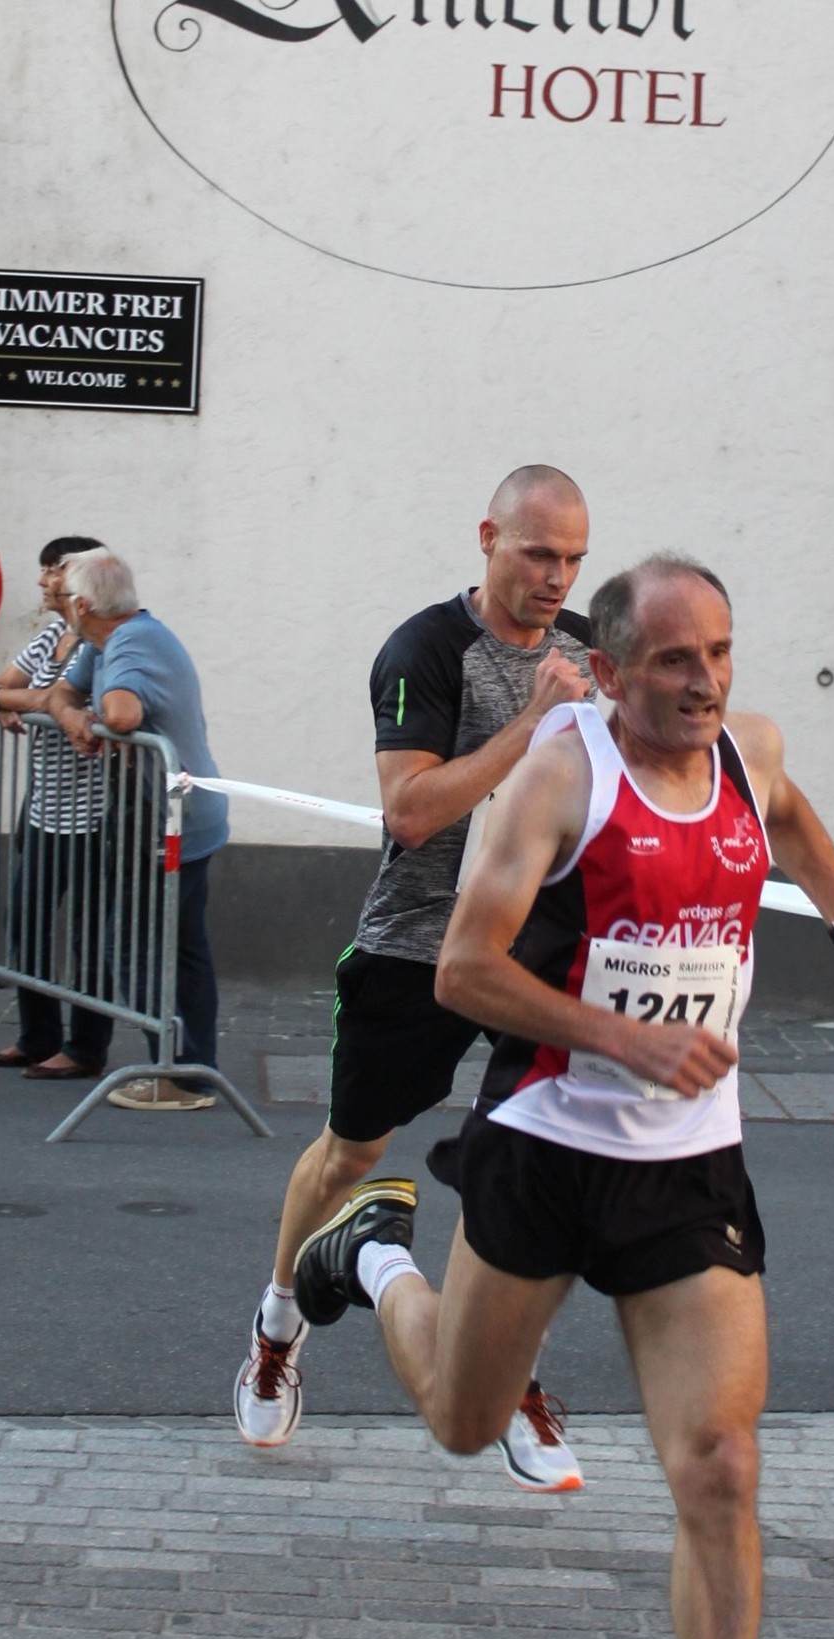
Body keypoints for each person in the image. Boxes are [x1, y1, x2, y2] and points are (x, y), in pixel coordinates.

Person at [292, 554, 834, 1639]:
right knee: (462, 1424)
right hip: (546, 1150)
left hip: (687, 1172)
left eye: (719, 654)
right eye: (675, 662)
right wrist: (616, 1036)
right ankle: (373, 1255)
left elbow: (791, 822)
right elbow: (464, 966)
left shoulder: (743, 754)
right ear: (615, 672)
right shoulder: (563, 776)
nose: (704, 682)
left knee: (719, 1465)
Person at [231, 465, 594, 1493]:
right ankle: (278, 1320)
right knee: (350, 1151)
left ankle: (510, 1375)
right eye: (535, 552)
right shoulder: (426, 647)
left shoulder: (582, 654)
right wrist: (530, 723)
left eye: (571, 557)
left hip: (529, 951)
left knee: (523, 1166)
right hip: (414, 948)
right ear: (486, 537)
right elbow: (412, 810)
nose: (554, 576)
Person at [46, 549, 226, 1111]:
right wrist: (74, 717)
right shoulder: (108, 642)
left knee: (135, 949)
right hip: (171, 817)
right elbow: (59, 693)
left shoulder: (131, 643)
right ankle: (194, 1071)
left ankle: (176, 1072)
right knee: (180, 948)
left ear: (80, 605)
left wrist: (96, 716)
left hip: (168, 823)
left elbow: (122, 714)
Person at [0, 534, 114, 1080]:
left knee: (88, 934)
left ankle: (85, 1049)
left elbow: (87, 704)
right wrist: (43, 703)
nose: (41, 581)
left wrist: (29, 702)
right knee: (26, 922)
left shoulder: (103, 644)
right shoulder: (53, 636)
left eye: (53, 570)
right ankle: (37, 1038)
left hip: (95, 816)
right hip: (44, 811)